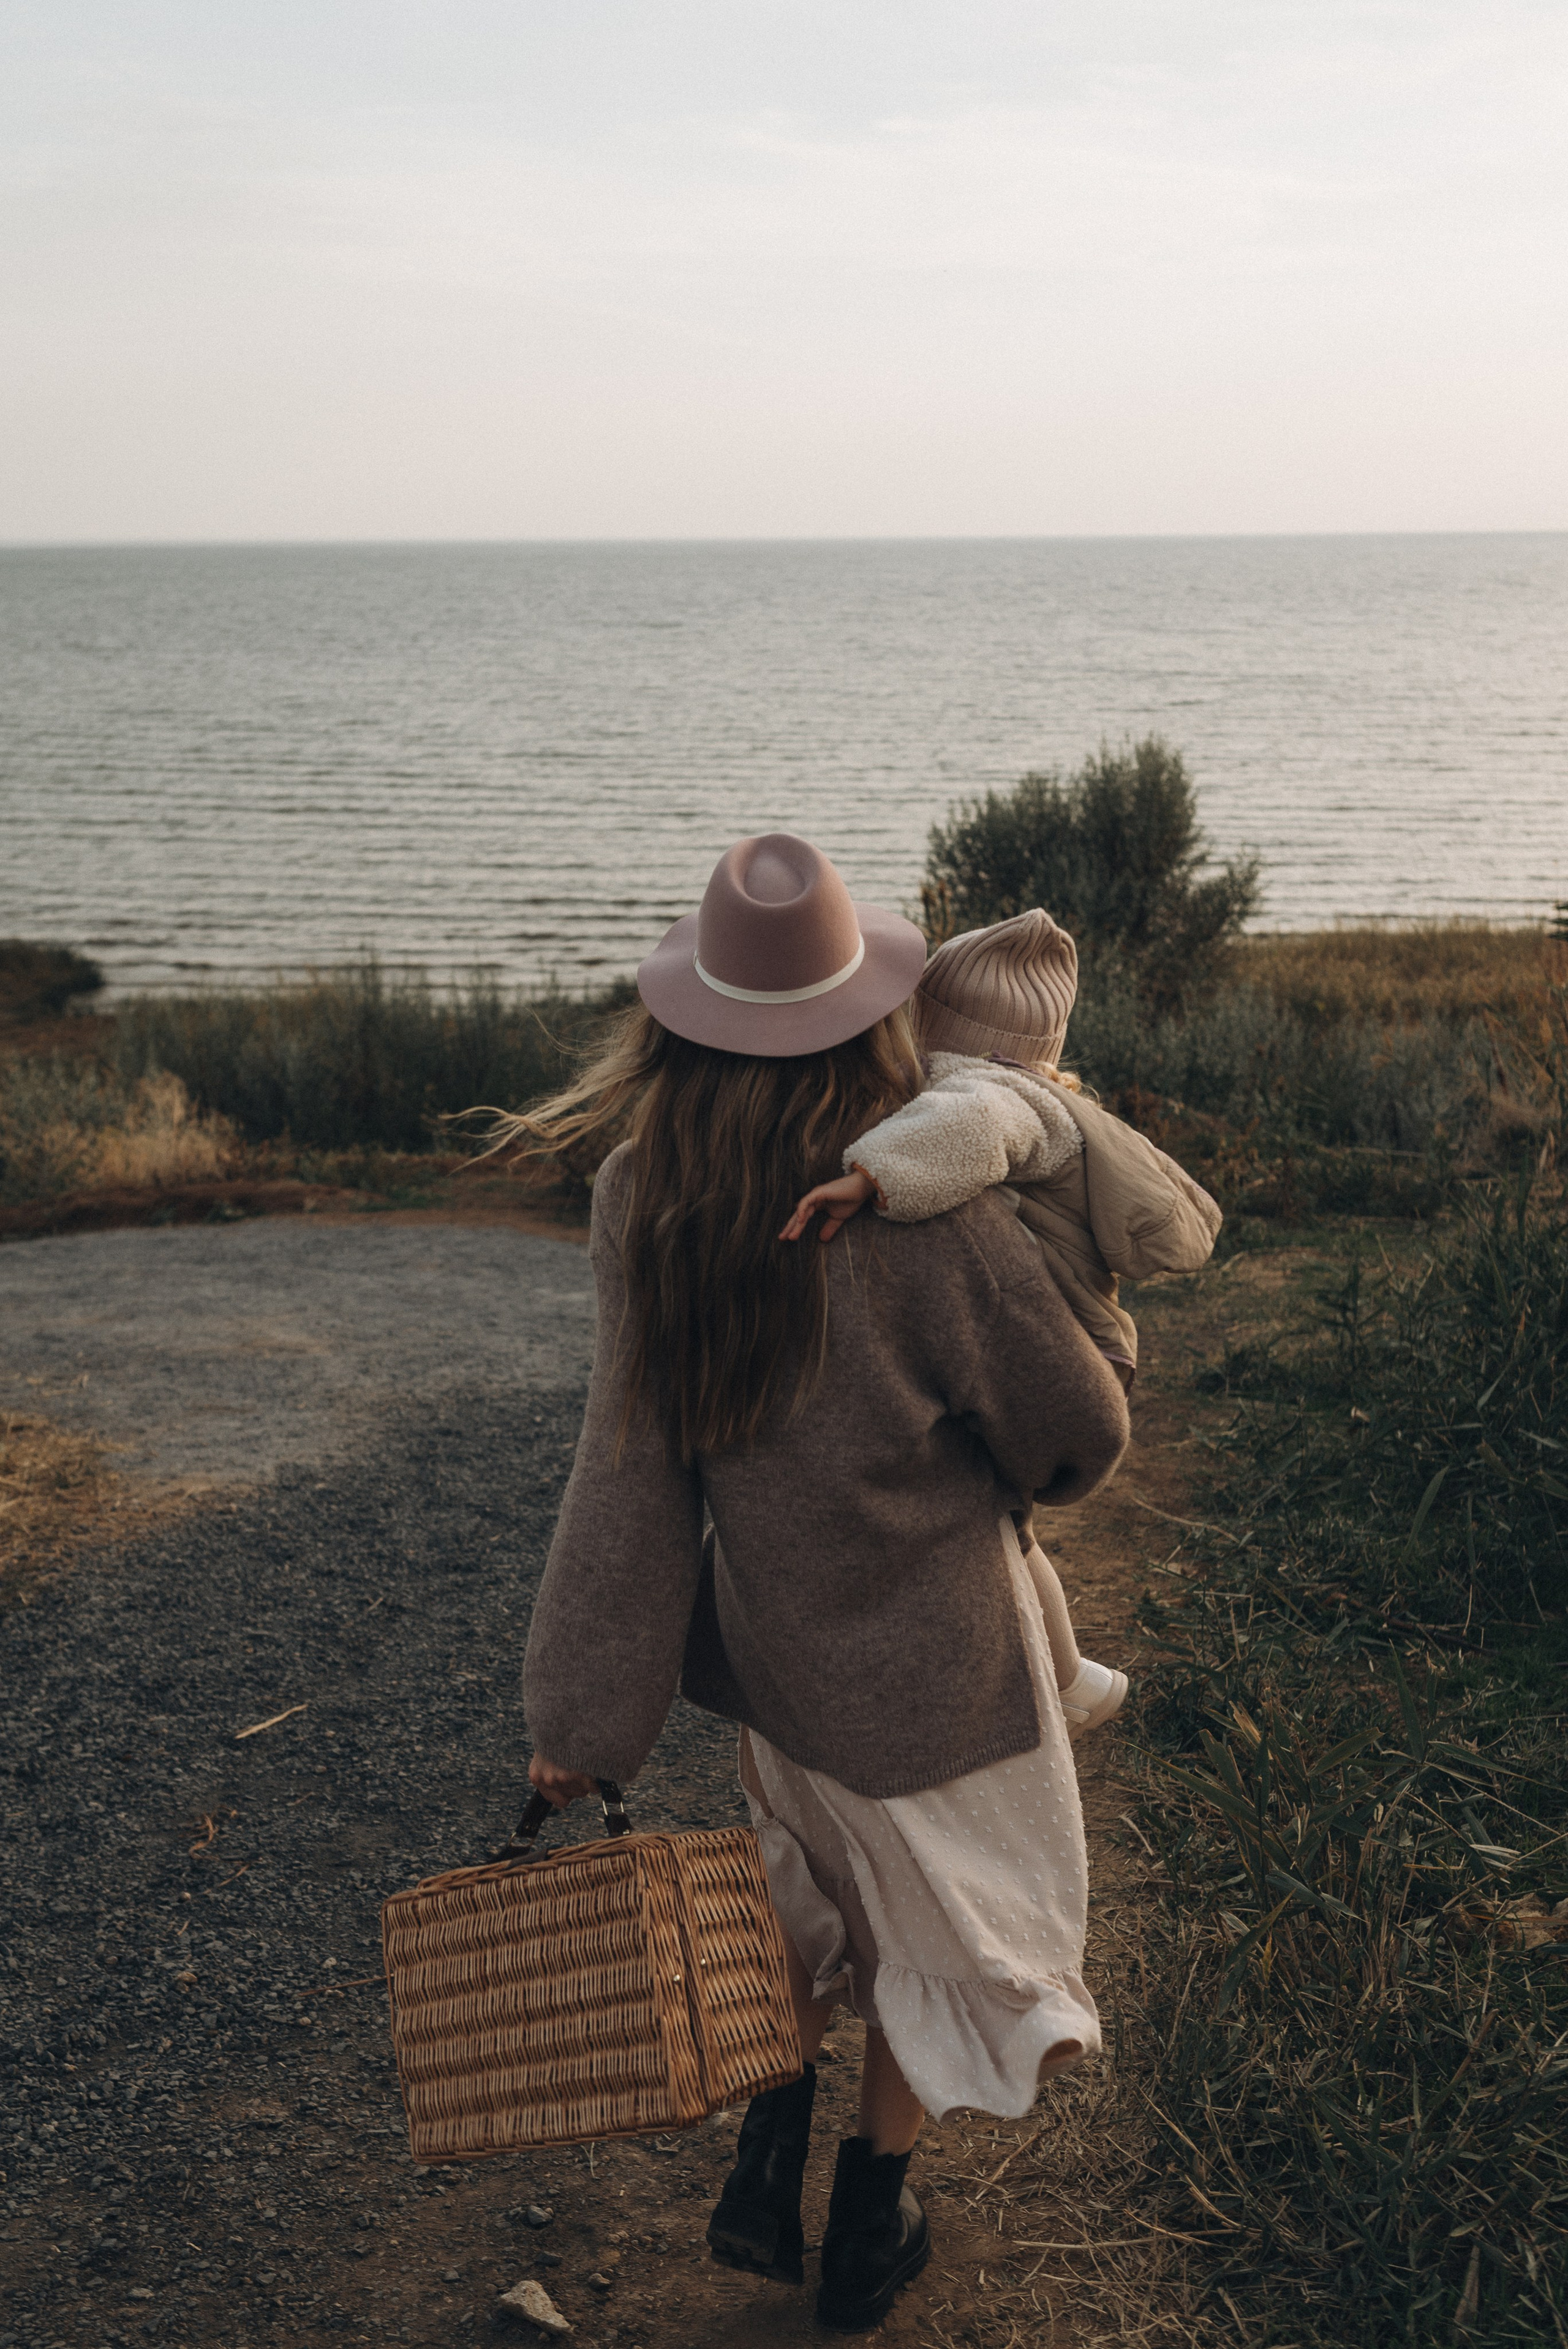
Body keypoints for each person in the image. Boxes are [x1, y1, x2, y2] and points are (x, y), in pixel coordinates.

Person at [516, 835, 1130, 2334]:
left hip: (780, 1668)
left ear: (680, 1023)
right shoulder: (925, 1208)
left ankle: (763, 2159)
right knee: (926, 1938)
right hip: (943, 1679)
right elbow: (1074, 1432)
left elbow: (628, 1476)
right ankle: (867, 2222)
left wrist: (581, 1721)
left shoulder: (641, 1194)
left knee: (804, 1909)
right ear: (869, 1019)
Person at [782, 907, 1223, 1740]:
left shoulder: (992, 1093)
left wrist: (870, 1176)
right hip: (1069, 1339)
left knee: (1003, 1529)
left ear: (941, 1030)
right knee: (1004, 1528)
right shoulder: (1048, 1095)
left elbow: (972, 1126)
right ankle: (1064, 1675)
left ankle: (1069, 1680)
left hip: (1060, 1350)